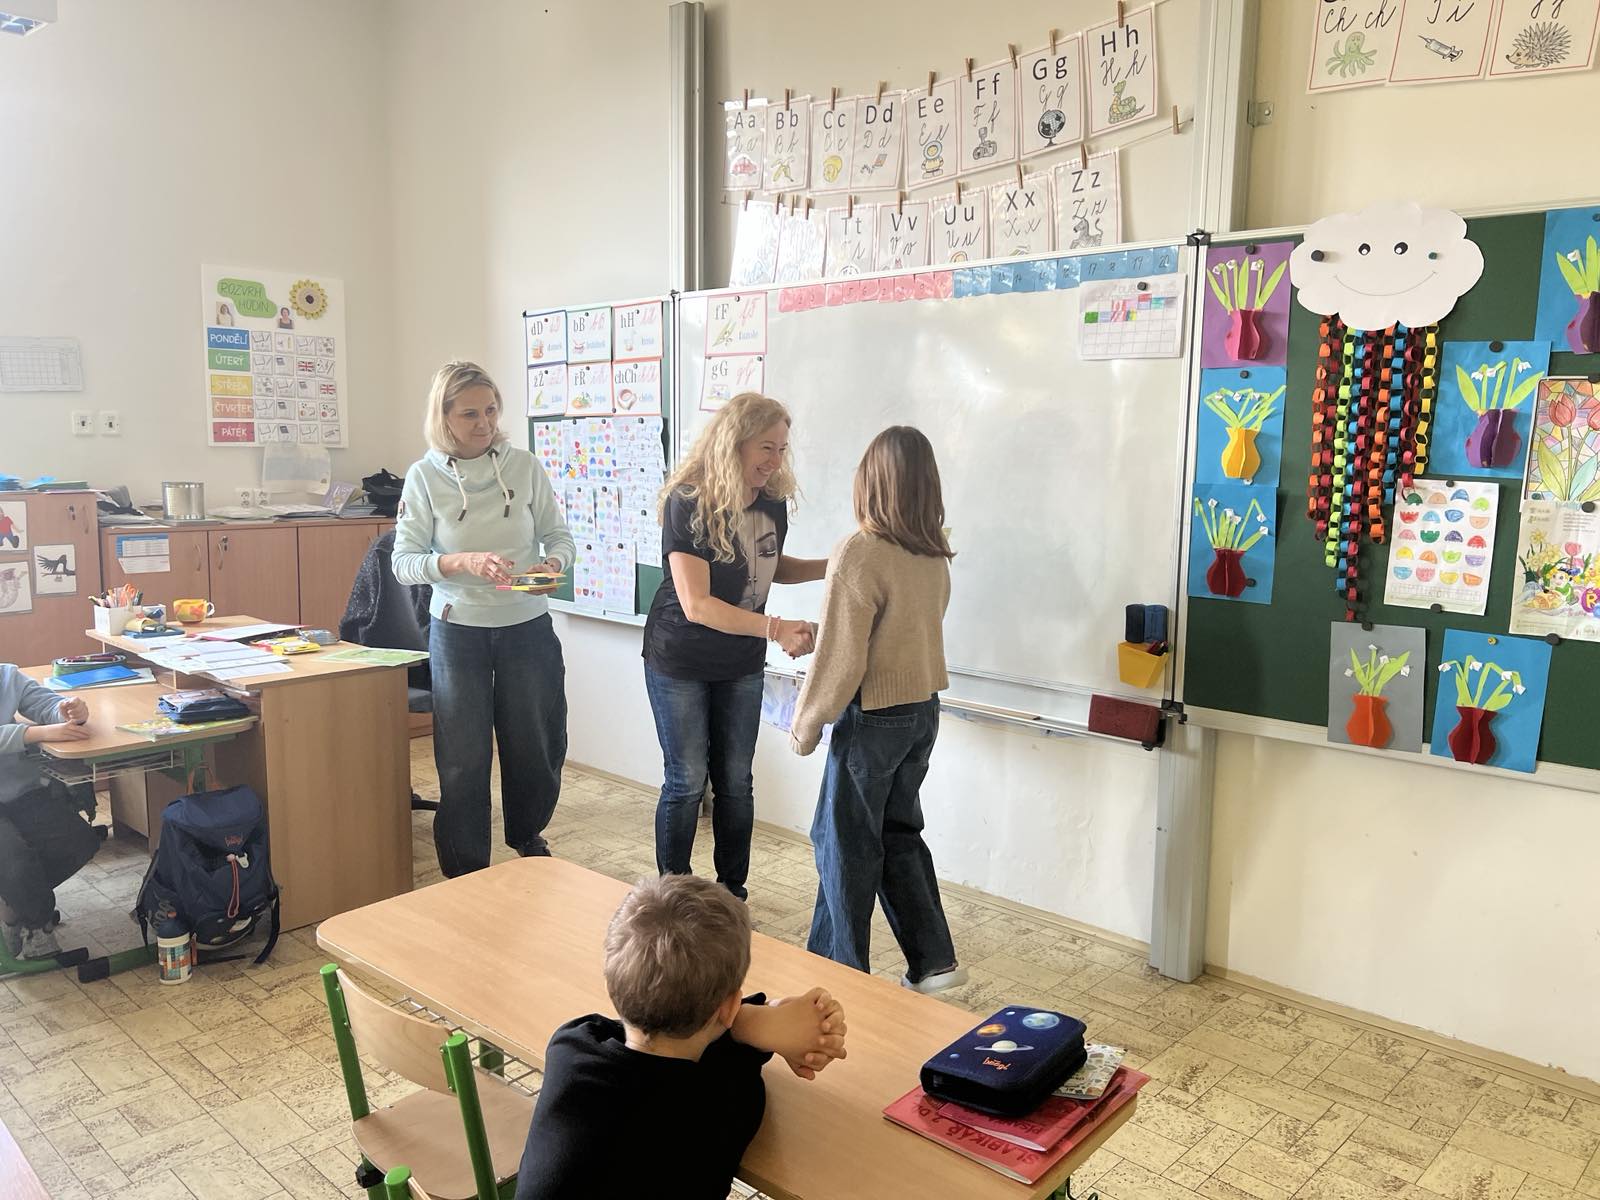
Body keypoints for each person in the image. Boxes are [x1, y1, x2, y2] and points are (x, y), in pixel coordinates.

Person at [512, 873, 847, 1199]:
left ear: (610, 987)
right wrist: (765, 1017)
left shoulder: (570, 1048)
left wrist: (746, 1015)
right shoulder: (729, 1104)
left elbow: (625, 1035)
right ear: (731, 1007)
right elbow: (731, 1058)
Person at [789, 427, 967, 994]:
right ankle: (934, 963)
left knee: (842, 841)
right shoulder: (932, 554)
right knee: (897, 834)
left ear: (872, 483)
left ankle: (841, 974)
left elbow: (841, 656)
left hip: (874, 716)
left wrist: (807, 722)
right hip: (922, 712)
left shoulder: (860, 551)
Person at [393, 361, 575, 876]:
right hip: (459, 629)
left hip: (527, 625)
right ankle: (466, 866)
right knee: (464, 756)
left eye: (491, 410)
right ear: (444, 417)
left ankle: (527, 834)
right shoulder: (424, 476)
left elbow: (559, 538)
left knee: (536, 742)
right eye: (470, 413)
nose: (485, 423)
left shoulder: (524, 467)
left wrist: (551, 565)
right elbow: (404, 562)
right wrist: (461, 562)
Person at [641, 392, 826, 899]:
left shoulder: (771, 502)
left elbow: (769, 566)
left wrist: (837, 565)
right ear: (734, 443)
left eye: (782, 449)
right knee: (686, 779)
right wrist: (775, 628)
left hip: (740, 660)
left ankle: (731, 894)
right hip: (681, 659)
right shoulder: (688, 502)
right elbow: (697, 604)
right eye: (766, 447)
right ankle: (672, 895)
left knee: (736, 781)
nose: (775, 461)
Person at [0, 664, 99, 960]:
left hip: (19, 790)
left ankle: (12, 907)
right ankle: (38, 924)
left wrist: (69, 711)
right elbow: (38, 730)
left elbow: (46, 705)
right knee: (15, 861)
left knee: (80, 841)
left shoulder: (6, 675)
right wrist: (35, 733)